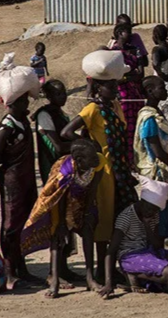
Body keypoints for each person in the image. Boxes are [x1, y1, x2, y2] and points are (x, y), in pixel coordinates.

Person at [61, 78, 138, 281]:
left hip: (119, 170)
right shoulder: (92, 109)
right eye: (110, 87)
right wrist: (89, 146)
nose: (114, 90)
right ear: (97, 88)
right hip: (103, 171)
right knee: (103, 220)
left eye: (115, 86)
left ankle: (112, 269)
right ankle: (102, 272)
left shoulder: (115, 106)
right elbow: (66, 132)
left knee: (118, 219)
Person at [20, 139, 103, 298]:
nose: (96, 160)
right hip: (59, 203)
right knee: (57, 239)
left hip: (83, 200)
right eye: (91, 158)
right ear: (79, 160)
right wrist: (62, 224)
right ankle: (55, 281)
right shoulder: (64, 172)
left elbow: (92, 191)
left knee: (88, 232)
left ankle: (90, 278)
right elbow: (59, 198)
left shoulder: (95, 164)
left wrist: (86, 215)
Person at [100, 178, 168, 297]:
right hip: (130, 256)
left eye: (155, 210)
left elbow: (157, 245)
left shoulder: (153, 214)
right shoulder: (126, 217)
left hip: (150, 251)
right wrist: (108, 283)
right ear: (142, 201)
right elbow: (111, 251)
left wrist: (148, 226)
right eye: (149, 208)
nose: (151, 212)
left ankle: (148, 273)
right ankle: (132, 273)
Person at [134, 77, 168, 256]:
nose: (164, 90)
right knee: (158, 218)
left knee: (165, 217)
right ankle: (156, 257)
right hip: (156, 174)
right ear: (150, 91)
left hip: (163, 171)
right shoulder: (149, 117)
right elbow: (157, 151)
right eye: (160, 87)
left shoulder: (157, 113)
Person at [0, 89, 39, 288]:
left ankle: (22, 269)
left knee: (24, 224)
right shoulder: (7, 126)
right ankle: (9, 273)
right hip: (12, 182)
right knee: (10, 226)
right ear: (12, 104)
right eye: (22, 101)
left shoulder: (23, 121)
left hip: (26, 179)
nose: (27, 103)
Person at [111, 23, 149, 164]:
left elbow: (141, 74)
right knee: (125, 127)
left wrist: (125, 77)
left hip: (135, 94)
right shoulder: (112, 53)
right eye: (128, 31)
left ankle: (137, 159)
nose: (131, 34)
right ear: (120, 33)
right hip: (123, 96)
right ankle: (126, 160)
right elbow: (115, 78)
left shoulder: (134, 50)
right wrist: (130, 75)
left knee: (138, 127)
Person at [33, 80, 70, 184]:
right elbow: (58, 147)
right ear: (49, 97)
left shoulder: (60, 113)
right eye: (58, 94)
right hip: (53, 165)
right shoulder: (44, 115)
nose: (63, 96)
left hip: (64, 164)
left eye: (64, 92)